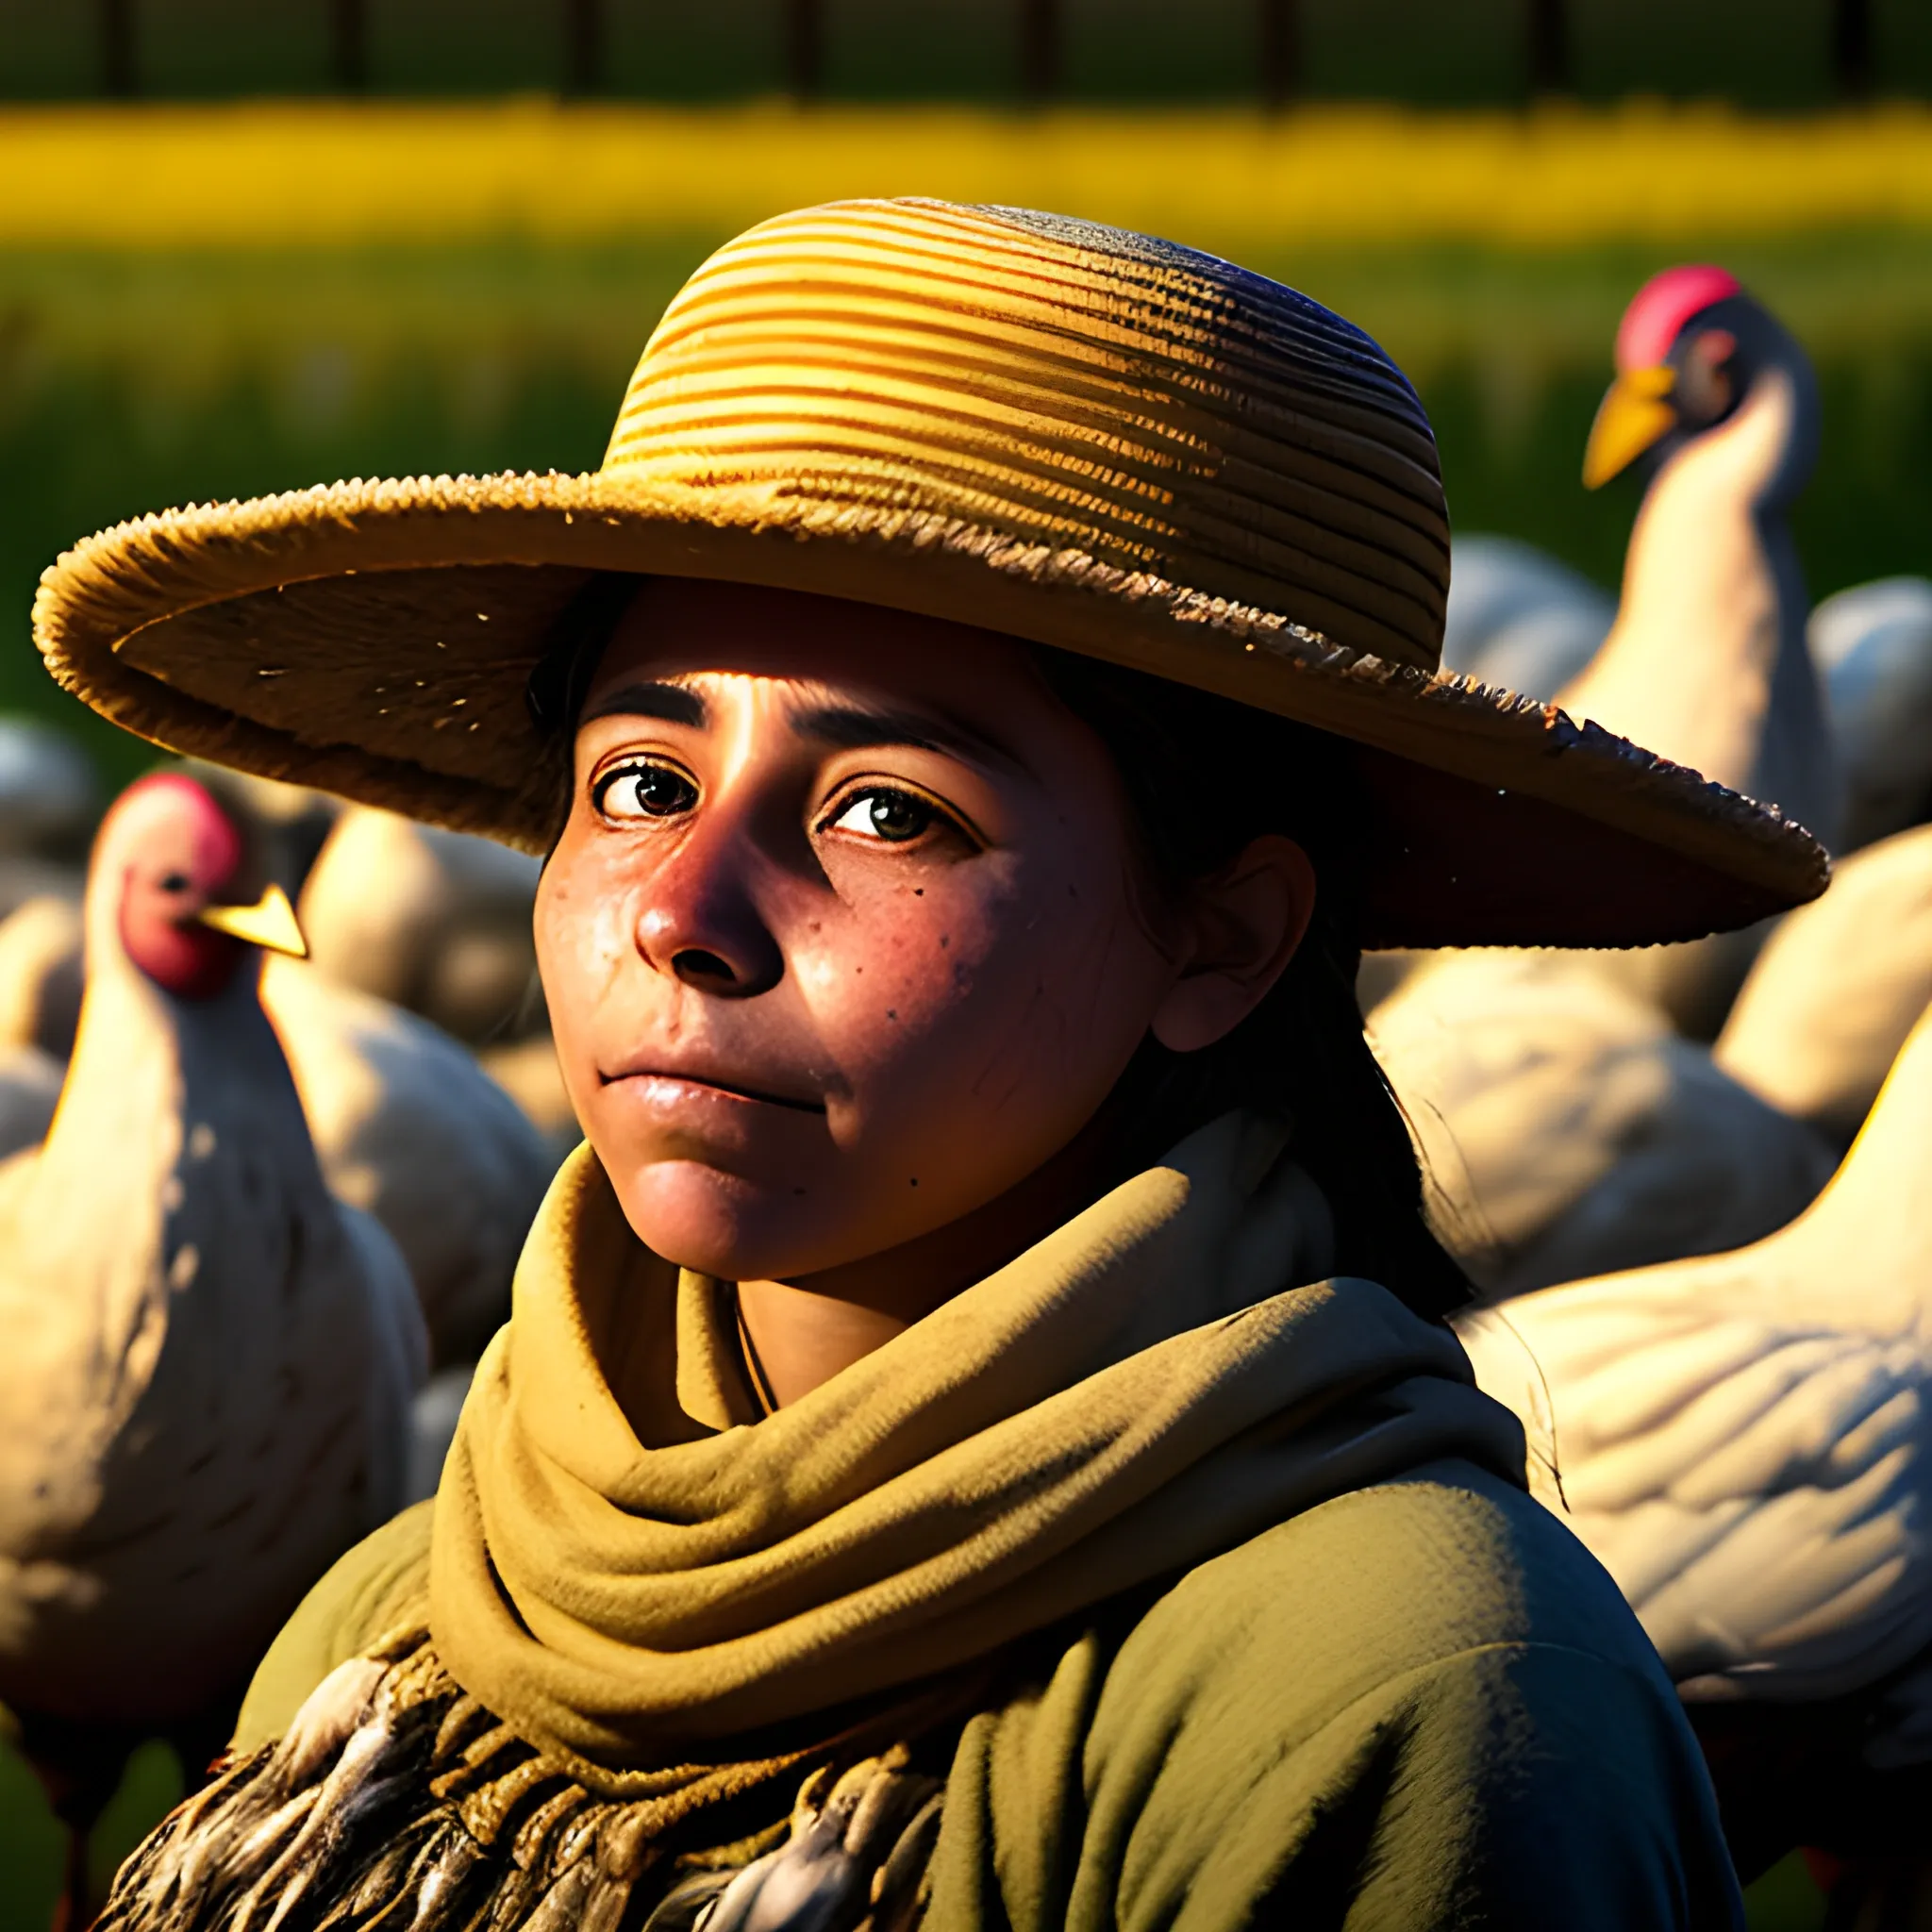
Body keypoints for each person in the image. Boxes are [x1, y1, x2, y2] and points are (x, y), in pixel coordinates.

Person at [39, 199, 1823, 1931]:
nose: (683, 915)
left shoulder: (1406, 1707)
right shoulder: (383, 1632)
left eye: (886, 812)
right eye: (641, 784)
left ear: (1222, 938)